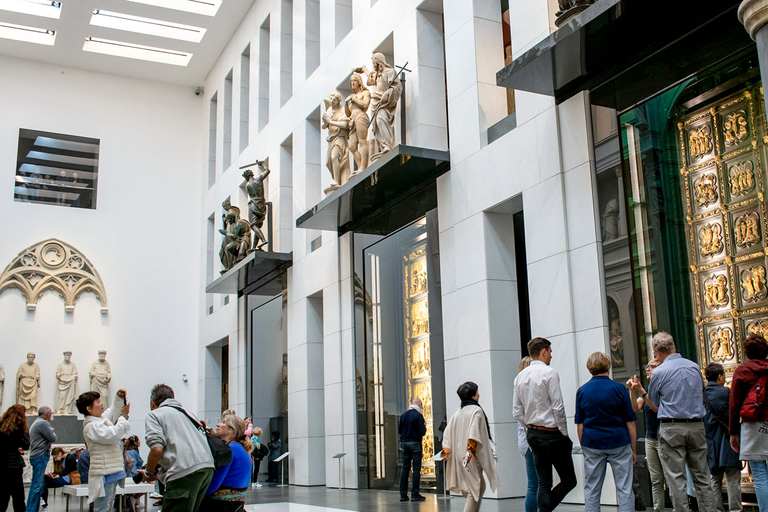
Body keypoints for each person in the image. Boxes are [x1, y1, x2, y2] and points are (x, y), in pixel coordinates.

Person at [630, 332, 716, 511]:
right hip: (697, 425)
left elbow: (654, 406)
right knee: (702, 477)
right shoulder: (693, 367)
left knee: (676, 479)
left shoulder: (659, 372)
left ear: (657, 352)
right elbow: (701, 391)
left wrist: (641, 392)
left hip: (672, 427)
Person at [513, 337, 576, 512]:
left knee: (543, 481)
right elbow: (558, 406)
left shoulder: (520, 377)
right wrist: (563, 432)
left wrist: (528, 425)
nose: (551, 356)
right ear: (543, 352)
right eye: (550, 352)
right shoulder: (550, 373)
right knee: (569, 480)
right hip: (551, 432)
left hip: (532, 433)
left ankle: (544, 509)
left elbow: (516, 411)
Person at [575, 352, 637, 512]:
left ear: (590, 368)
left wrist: (584, 445)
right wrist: (633, 448)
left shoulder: (582, 391)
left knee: (592, 489)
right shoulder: (619, 389)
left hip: (592, 442)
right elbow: (630, 422)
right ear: (608, 366)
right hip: (619, 441)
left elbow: (580, 424)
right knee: (624, 489)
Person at [141, 383, 214, 512]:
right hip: (206, 468)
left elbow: (157, 449)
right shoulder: (189, 414)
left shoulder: (155, 415)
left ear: (152, 402)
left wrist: (148, 472)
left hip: (184, 471)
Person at [441, 381, 498, 512]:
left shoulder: (458, 413)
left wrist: (447, 450)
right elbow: (474, 435)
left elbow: (447, 434)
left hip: (461, 455)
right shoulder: (476, 411)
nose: (479, 394)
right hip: (471, 456)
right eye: (477, 392)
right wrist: (469, 454)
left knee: (479, 486)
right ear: (473, 395)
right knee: (475, 487)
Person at [729, 333, 768, 510]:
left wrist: (733, 432)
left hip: (752, 424)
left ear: (746, 352)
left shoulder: (742, 371)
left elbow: (734, 404)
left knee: (759, 474)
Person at [76, 389, 131, 512]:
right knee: (102, 508)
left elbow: (112, 412)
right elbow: (113, 435)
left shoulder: (100, 420)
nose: (101, 404)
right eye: (97, 402)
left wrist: (118, 398)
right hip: (104, 473)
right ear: (89, 409)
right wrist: (123, 418)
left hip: (110, 470)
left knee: (109, 505)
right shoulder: (91, 426)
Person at [701, 363, 742, 512]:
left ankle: (717, 509)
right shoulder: (726, 393)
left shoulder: (702, 395)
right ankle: (736, 509)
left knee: (714, 480)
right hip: (728, 441)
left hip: (710, 443)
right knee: (733, 479)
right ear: (719, 376)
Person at [627, 359, 666, 512]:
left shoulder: (664, 388)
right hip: (651, 438)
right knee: (656, 479)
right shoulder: (647, 388)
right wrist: (632, 390)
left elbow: (655, 407)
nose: (648, 369)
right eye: (647, 367)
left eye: (652, 367)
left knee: (671, 477)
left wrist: (642, 390)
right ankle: (658, 508)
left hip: (665, 438)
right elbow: (634, 407)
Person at [201, 415, 253, 511]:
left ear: (231, 430)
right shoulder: (240, 448)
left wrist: (198, 495)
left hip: (222, 505)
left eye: (223, 422)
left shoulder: (230, 450)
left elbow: (215, 482)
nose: (218, 424)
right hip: (235, 504)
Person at [516, 357, 538, 512]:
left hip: (526, 441)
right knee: (536, 483)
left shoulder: (519, 387)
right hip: (532, 440)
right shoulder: (527, 389)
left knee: (534, 483)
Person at [0, 404, 30, 512]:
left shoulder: (1, 426)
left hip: (2, 464)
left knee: (3, 496)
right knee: (18, 497)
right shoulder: (19, 428)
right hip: (14, 465)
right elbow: (26, 445)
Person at [27, 405, 56, 512]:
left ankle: (32, 508)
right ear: (47, 414)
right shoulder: (42, 423)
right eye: (51, 414)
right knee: (37, 485)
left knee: (37, 484)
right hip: (40, 455)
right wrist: (52, 430)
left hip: (37, 455)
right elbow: (53, 437)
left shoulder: (37, 422)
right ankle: (30, 509)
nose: (51, 416)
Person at [398, 398, 427, 502]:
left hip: (405, 443)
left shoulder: (403, 415)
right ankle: (415, 494)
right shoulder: (418, 416)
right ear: (419, 405)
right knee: (416, 469)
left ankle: (403, 494)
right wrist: (424, 425)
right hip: (415, 442)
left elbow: (400, 430)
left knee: (405, 469)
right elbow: (422, 432)